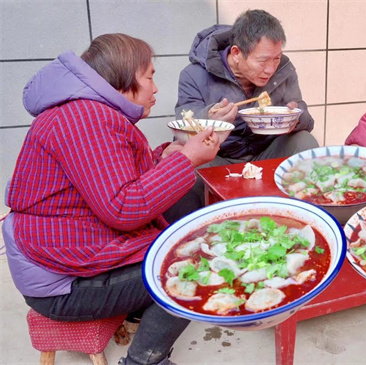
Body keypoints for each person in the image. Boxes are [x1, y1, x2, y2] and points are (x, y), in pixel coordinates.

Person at [3, 34, 221, 365]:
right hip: (64, 282)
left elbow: (110, 179)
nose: (155, 88)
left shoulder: (88, 112)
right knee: (192, 267)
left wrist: (165, 159)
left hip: (75, 247)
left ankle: (136, 309)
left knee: (185, 200)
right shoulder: (85, 120)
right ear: (123, 78)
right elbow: (122, 207)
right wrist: (187, 158)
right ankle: (142, 361)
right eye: (149, 76)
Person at [176, 9, 318, 166]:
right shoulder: (194, 75)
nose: (270, 69)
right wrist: (209, 118)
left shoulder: (283, 70)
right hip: (218, 157)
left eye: (276, 58)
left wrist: (296, 118)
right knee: (190, 163)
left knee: (305, 142)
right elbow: (183, 126)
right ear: (236, 53)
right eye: (262, 61)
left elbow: (307, 120)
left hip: (266, 153)